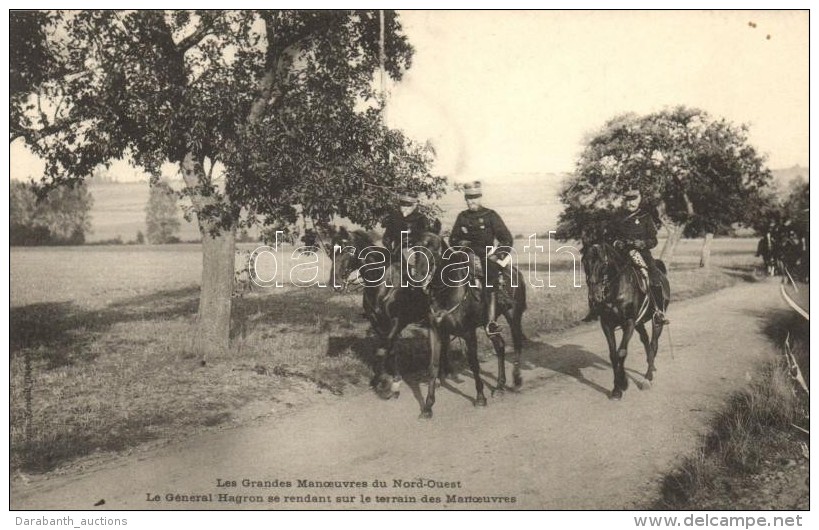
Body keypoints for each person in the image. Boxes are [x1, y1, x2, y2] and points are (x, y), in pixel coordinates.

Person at [582, 188, 668, 324]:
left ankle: (658, 311)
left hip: (641, 253)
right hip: (620, 254)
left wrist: (642, 243)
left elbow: (653, 240)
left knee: (653, 275)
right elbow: (609, 237)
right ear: (624, 202)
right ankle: (595, 308)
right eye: (628, 200)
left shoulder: (645, 217)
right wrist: (617, 242)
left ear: (639, 200)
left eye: (633, 200)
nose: (631, 203)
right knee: (599, 274)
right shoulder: (617, 217)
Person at [449, 181, 514, 336]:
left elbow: (506, 239)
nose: (472, 201)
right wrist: (460, 244)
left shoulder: (490, 215)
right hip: (465, 254)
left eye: (475, 197)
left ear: (480, 197)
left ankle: (491, 321)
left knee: (490, 278)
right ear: (465, 199)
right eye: (469, 198)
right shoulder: (462, 217)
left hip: (486, 255)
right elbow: (453, 239)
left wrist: (497, 255)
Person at [381, 192, 430, 268]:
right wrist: (388, 246)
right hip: (396, 254)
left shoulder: (421, 219)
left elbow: (425, 238)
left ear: (414, 205)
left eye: (408, 205)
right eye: (402, 204)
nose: (404, 207)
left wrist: (413, 241)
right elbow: (388, 236)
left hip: (416, 255)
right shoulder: (394, 218)